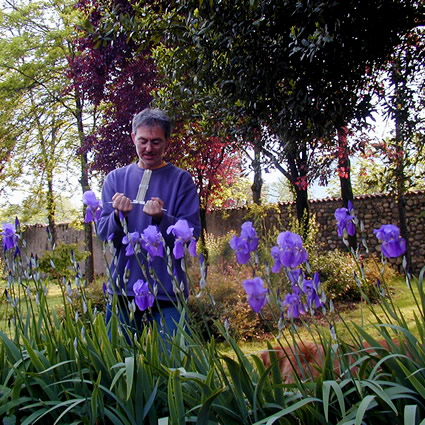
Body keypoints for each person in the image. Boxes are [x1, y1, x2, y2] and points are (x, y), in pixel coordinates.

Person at [97, 108, 201, 341]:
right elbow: (103, 232)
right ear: (133, 138)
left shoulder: (181, 180)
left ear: (167, 142)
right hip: (123, 290)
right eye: (143, 141)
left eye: (156, 142)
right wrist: (116, 217)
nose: (149, 148)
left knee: (175, 365)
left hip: (167, 290)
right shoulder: (115, 179)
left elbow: (192, 232)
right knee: (119, 364)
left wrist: (161, 219)